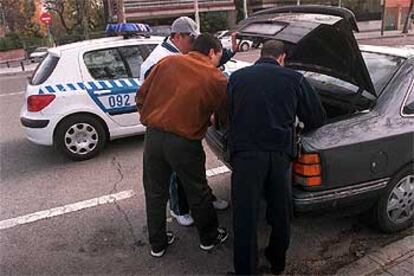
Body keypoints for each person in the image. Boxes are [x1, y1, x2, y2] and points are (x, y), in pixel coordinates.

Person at [228, 40, 326, 274]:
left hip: (245, 155)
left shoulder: (237, 77)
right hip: (279, 156)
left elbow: (230, 112)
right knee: (280, 212)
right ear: (282, 57)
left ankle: (246, 270)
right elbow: (316, 117)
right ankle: (277, 262)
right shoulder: (295, 79)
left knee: (245, 215)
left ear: (261, 55)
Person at [137, 33, 229, 258]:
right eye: (219, 55)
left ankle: (157, 244)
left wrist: (151, 118)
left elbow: (141, 96)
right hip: (185, 143)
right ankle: (208, 237)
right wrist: (206, 119)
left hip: (153, 137)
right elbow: (223, 118)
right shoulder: (216, 78)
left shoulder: (168, 62)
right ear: (211, 52)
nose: (218, 60)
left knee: (155, 193)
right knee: (197, 190)